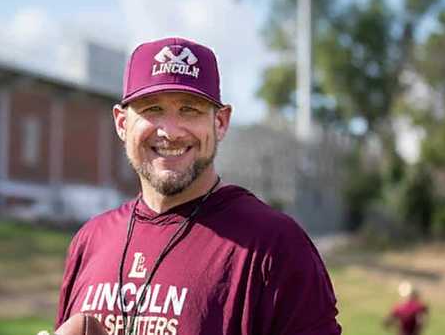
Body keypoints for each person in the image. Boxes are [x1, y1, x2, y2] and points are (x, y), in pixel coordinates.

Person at [54, 37, 342, 335]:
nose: (170, 131)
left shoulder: (274, 245)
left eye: (189, 109)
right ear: (122, 123)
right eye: (152, 108)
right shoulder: (90, 241)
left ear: (220, 122)